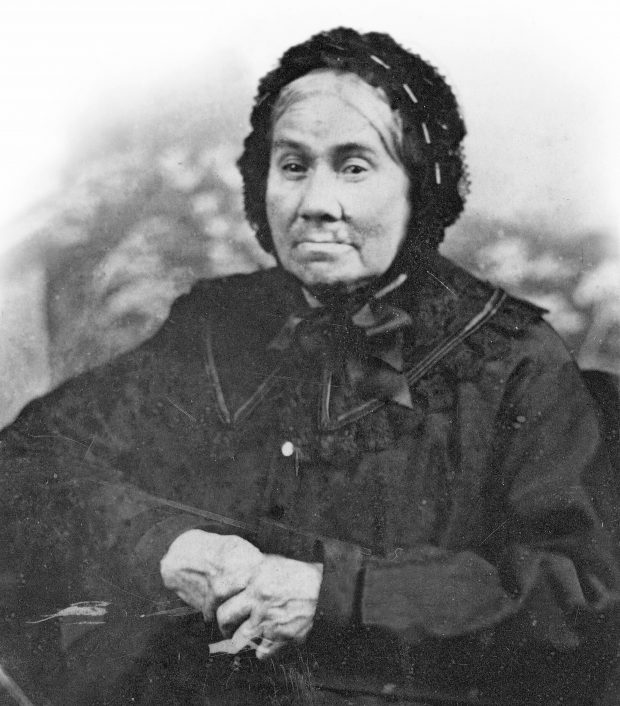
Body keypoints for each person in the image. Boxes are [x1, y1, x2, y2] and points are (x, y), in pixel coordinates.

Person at [1, 27, 619, 706]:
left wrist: (332, 593)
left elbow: (581, 593)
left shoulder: (510, 359)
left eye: (354, 166)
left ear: (421, 185)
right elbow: (30, 464)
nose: (316, 203)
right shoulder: (215, 328)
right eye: (293, 165)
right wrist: (168, 547)